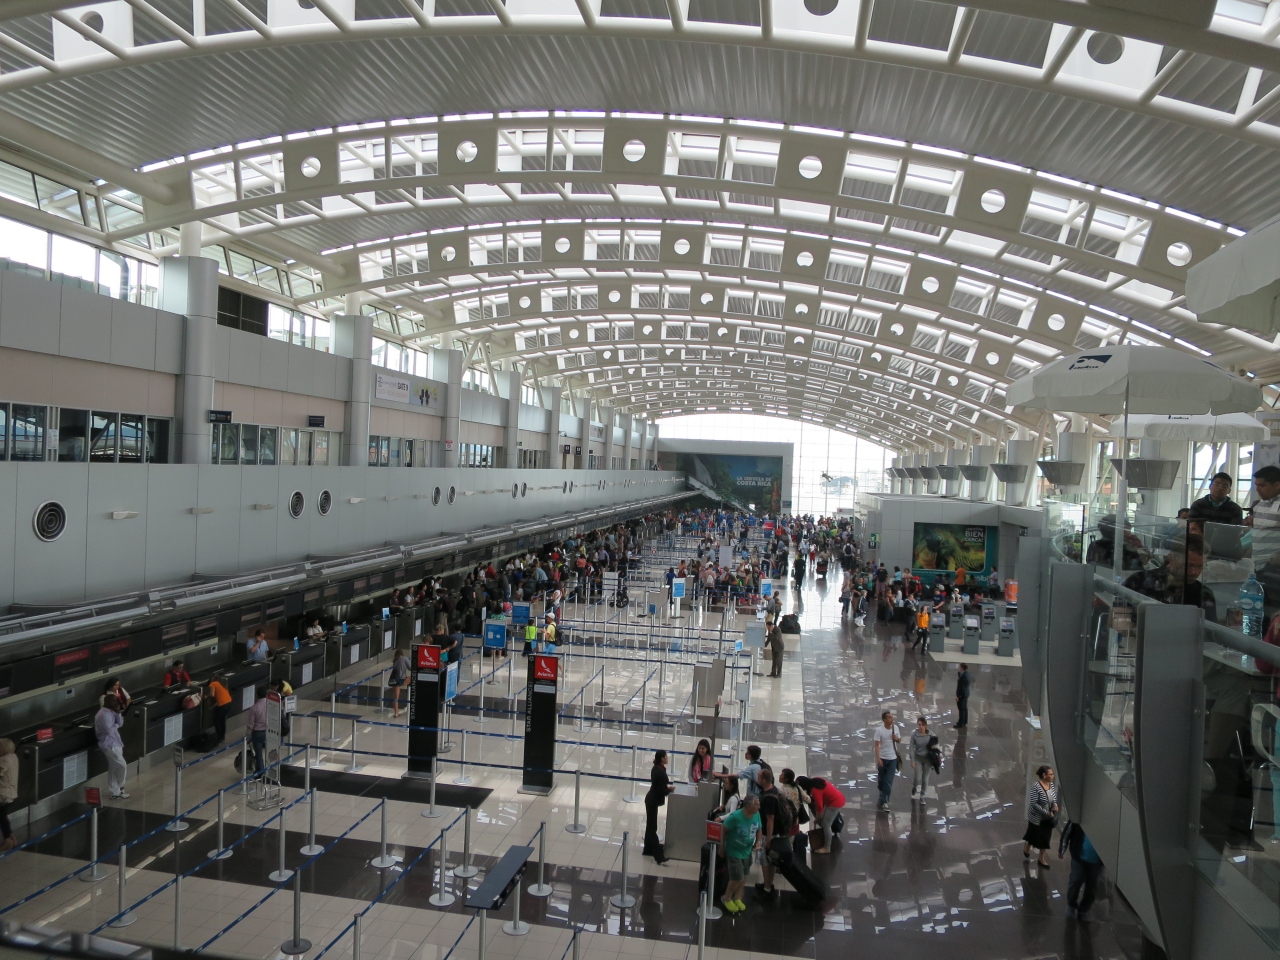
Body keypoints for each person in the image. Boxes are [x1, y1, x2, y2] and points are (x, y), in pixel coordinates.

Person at [719, 794, 761, 914]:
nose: (759, 807)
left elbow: (759, 829)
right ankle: (727, 898)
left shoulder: (756, 814)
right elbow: (723, 829)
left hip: (747, 851)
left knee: (744, 876)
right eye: (756, 804)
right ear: (748, 806)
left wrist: (758, 842)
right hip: (734, 851)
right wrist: (722, 846)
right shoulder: (735, 817)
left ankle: (737, 897)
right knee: (737, 877)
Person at [754, 768, 791, 897]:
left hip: (768, 833)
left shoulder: (768, 797)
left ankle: (767, 888)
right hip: (777, 832)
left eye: (759, 777)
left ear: (764, 780)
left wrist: (768, 839)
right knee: (772, 860)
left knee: (764, 860)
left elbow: (770, 819)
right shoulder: (774, 790)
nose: (757, 779)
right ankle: (769, 883)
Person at [1059, 820, 1104, 921]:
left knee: (1092, 887)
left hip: (1097, 861)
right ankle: (1071, 905)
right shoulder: (1082, 815)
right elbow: (1068, 830)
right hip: (1079, 856)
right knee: (1075, 881)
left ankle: (1084, 910)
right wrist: (1062, 848)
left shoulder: (1107, 821)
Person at [1022, 765, 1059, 868]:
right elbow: (1034, 803)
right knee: (1033, 835)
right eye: (1051, 774)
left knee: (1045, 838)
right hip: (1037, 818)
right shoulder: (1036, 787)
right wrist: (1046, 812)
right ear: (1044, 775)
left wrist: (1055, 805)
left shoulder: (1051, 785)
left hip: (1047, 819)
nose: (1053, 776)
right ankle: (1028, 846)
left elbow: (1054, 798)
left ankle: (1041, 858)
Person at [797, 776, 844, 854]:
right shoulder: (817, 781)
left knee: (826, 825)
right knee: (823, 821)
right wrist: (819, 818)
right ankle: (826, 840)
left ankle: (827, 848)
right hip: (834, 799)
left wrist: (818, 817)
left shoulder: (815, 790)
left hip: (834, 803)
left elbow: (819, 806)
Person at [94, 693, 129, 800]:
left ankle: (115, 792)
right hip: (108, 744)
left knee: (113, 767)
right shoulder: (102, 715)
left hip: (116, 742)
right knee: (122, 764)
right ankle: (121, 785)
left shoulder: (112, 711)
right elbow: (108, 731)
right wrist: (116, 725)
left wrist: (118, 713)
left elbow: (121, 723)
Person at [643, 750, 674, 864]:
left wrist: (666, 788)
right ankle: (658, 856)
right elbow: (661, 791)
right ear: (662, 758)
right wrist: (668, 791)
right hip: (653, 801)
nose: (667, 758)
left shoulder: (656, 768)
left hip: (651, 799)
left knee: (650, 826)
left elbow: (658, 786)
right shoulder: (660, 772)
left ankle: (647, 849)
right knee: (652, 828)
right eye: (666, 756)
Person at [873, 710, 902, 811]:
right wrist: (878, 757)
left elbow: (899, 740)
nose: (892, 719)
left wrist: (896, 739)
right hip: (883, 758)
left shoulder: (895, 728)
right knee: (881, 779)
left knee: (888, 780)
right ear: (884, 720)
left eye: (892, 717)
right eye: (889, 717)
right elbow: (876, 745)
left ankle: (885, 801)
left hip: (893, 758)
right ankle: (881, 790)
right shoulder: (879, 730)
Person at [909, 716, 937, 799]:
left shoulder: (931, 735)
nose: (920, 727)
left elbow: (935, 748)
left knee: (925, 779)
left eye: (922, 725)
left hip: (927, 760)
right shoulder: (915, 735)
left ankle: (922, 796)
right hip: (918, 758)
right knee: (917, 777)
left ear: (925, 725)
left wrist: (934, 761)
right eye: (919, 725)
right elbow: (911, 748)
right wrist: (912, 760)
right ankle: (914, 786)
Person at [245, 686, 269, 778]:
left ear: (257, 695)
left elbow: (251, 724)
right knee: (271, 751)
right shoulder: (272, 705)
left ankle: (261, 771)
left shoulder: (254, 708)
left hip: (258, 733)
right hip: (269, 731)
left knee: (258, 753)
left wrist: (248, 735)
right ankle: (271, 770)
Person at [0, 738, 16, 851]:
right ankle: (10, 838)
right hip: (11, 794)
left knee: (2, 816)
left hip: (2, 795)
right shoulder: (13, 757)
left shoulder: (3, 760)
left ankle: (8, 840)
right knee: (2, 816)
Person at [207, 675, 232, 744]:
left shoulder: (213, 683)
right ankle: (222, 736)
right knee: (222, 720)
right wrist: (212, 708)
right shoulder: (222, 685)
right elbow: (220, 701)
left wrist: (206, 696)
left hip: (223, 706)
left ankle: (218, 737)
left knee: (217, 721)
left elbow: (212, 695)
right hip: (229, 704)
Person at [388, 648, 411, 718]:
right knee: (414, 677)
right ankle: (410, 691)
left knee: (396, 697)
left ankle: (396, 713)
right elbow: (411, 668)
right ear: (402, 653)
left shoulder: (395, 661)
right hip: (402, 680)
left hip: (395, 680)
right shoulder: (404, 658)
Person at [955, 663, 972, 729]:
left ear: (962, 668)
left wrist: (958, 696)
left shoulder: (964, 677)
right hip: (966, 693)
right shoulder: (967, 674)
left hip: (962, 694)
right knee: (964, 708)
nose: (958, 668)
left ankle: (960, 723)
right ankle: (965, 721)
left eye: (959, 667)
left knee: (961, 709)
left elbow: (961, 687)